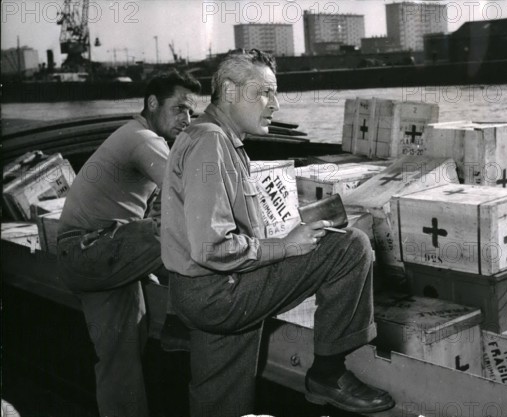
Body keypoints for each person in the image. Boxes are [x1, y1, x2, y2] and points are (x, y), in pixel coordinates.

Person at [161, 49, 395, 417]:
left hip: (195, 292)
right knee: (350, 247)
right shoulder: (211, 143)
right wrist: (285, 247)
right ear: (230, 91)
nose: (276, 104)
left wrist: (285, 237)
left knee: (218, 398)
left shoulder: (209, 136)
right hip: (219, 291)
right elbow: (211, 246)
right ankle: (328, 374)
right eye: (265, 92)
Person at [56, 71, 202, 417]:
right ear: (152, 104)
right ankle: (179, 322)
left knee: (121, 356)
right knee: (173, 228)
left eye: (192, 113)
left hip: (92, 254)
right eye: (179, 108)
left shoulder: (137, 135)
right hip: (91, 250)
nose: (187, 119)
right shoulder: (142, 139)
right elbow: (189, 194)